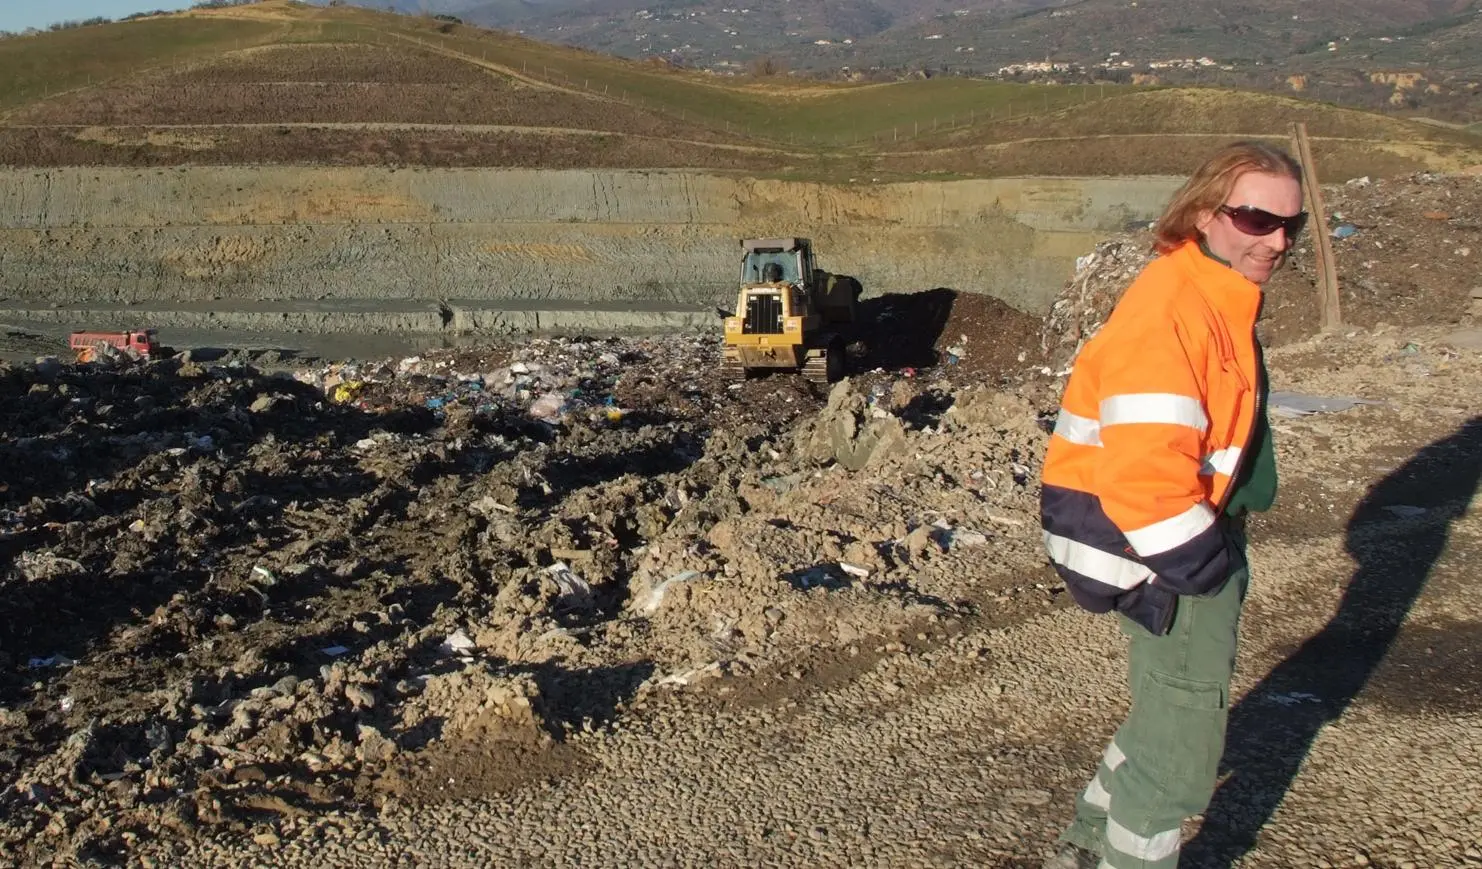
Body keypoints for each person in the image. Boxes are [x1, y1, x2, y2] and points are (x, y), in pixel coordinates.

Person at [1038, 141, 1306, 869]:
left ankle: (1086, 846)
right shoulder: (1177, 310)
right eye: (1257, 219)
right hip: (1179, 553)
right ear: (1204, 211)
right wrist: (1203, 566)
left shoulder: (1211, 296)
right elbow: (1144, 474)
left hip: (1186, 541)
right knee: (1180, 759)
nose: (1278, 240)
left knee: (1163, 713)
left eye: (1293, 225)